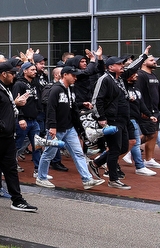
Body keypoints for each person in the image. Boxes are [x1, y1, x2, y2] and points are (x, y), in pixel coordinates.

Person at [0, 62, 38, 211]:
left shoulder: (3, 88)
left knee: (10, 169)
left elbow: (2, 108)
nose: (15, 76)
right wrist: (1, 125)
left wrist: (16, 104)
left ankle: (17, 200)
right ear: (4, 74)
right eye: (12, 73)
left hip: (6, 137)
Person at [35, 66, 104, 189]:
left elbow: (71, 107)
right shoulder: (55, 89)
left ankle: (87, 179)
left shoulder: (70, 89)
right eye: (73, 75)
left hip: (69, 128)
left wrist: (79, 121)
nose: (75, 78)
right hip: (57, 128)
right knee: (48, 154)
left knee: (78, 153)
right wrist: (52, 126)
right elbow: (50, 109)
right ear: (65, 75)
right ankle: (41, 177)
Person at [91, 52, 147, 189]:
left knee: (124, 147)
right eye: (119, 64)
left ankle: (96, 163)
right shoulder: (105, 79)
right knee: (115, 149)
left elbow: (132, 68)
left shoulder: (119, 78)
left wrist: (143, 56)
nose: (123, 66)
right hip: (112, 119)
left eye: (123, 64)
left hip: (124, 119)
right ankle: (113, 179)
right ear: (110, 67)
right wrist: (101, 118)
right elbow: (96, 100)